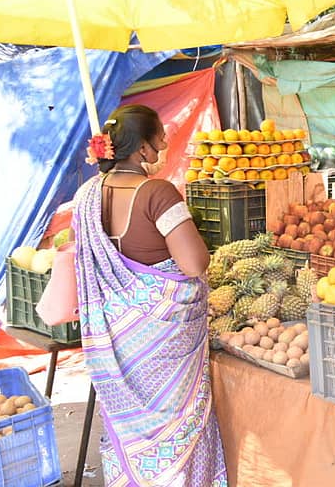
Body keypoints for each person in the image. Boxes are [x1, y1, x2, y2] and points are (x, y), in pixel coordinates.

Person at [70, 104, 227, 486]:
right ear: (142, 148)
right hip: (164, 347)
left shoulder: (87, 194)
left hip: (117, 341)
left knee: (131, 433)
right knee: (176, 432)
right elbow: (193, 264)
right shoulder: (158, 192)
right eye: (159, 137)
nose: (165, 143)